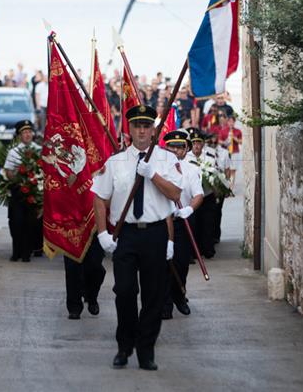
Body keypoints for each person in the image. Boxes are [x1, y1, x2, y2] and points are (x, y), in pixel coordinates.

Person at [92, 105, 182, 371]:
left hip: (155, 233)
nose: (142, 131)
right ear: (129, 130)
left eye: (146, 126)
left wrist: (151, 174)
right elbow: (99, 197)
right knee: (125, 291)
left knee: (153, 296)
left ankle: (146, 350)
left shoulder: (166, 160)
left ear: (153, 130)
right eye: (137, 126)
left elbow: (176, 193)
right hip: (126, 234)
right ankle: (124, 345)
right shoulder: (116, 162)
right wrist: (102, 233)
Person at [161, 130, 203, 320]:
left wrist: (190, 209)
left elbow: (198, 195)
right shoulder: (158, 169)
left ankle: (179, 296)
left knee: (181, 263)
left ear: (186, 149)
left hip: (183, 219)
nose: (176, 151)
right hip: (162, 221)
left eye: (180, 147)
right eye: (172, 146)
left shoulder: (191, 170)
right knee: (163, 264)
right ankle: (166, 304)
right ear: (165, 147)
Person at [4, 120, 41, 262]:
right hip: (18, 191)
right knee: (16, 222)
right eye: (24, 132)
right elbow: (8, 171)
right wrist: (18, 179)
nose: (27, 135)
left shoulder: (37, 150)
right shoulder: (14, 152)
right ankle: (16, 252)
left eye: (29, 132)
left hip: (33, 192)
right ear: (19, 136)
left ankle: (26, 253)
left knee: (30, 223)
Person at [186, 128, 216, 259]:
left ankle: (208, 249)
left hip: (207, 195)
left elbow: (215, 173)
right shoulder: (186, 158)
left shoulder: (210, 156)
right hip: (192, 197)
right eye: (194, 142)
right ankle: (194, 252)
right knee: (194, 224)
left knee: (208, 223)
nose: (196, 145)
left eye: (199, 142)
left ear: (203, 143)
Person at [63, 238, 106, 320]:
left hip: (94, 230)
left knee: (95, 267)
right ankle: (74, 307)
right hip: (71, 230)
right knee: (72, 267)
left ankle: (92, 297)